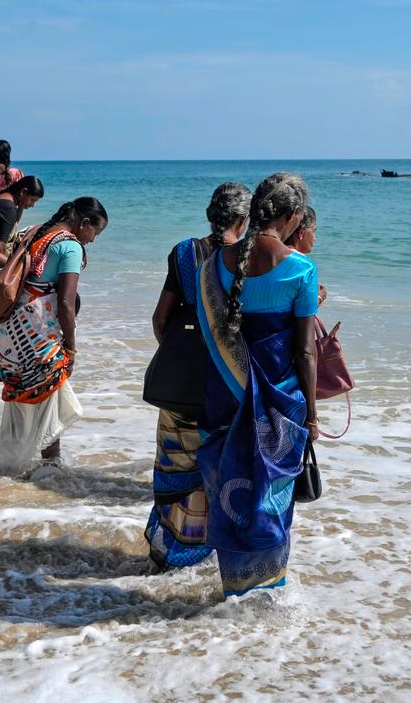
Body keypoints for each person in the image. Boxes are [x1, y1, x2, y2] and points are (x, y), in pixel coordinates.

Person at [196, 172, 318, 598]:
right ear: (293, 215)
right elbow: (305, 352)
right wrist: (313, 415)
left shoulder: (211, 266)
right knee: (270, 494)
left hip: (222, 397)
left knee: (228, 489)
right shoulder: (301, 269)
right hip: (279, 404)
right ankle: (265, 594)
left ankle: (232, 588)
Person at [143, 182, 251, 571]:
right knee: (217, 473)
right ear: (244, 220)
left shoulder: (184, 253)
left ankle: (169, 553)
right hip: (225, 387)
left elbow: (160, 319)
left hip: (180, 387)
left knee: (175, 468)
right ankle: (205, 560)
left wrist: (181, 357)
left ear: (210, 215)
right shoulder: (249, 257)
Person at [0, 197, 108, 474]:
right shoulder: (70, 246)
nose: (93, 240)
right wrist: (71, 348)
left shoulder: (33, 231)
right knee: (49, 395)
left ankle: (10, 464)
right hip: (37, 333)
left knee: (21, 394)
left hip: (9, 328)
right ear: (84, 223)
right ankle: (50, 469)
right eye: (95, 232)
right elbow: (66, 303)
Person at [0, 175, 44, 270]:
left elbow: (11, 224)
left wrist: (21, 206)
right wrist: (10, 270)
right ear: (23, 191)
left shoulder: (2, 198)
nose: (32, 205)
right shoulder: (8, 209)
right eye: (32, 200)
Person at [284, 205, 327, 306]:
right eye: (313, 231)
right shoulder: (305, 266)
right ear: (301, 232)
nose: (315, 238)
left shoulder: (271, 254)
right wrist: (319, 298)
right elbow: (305, 312)